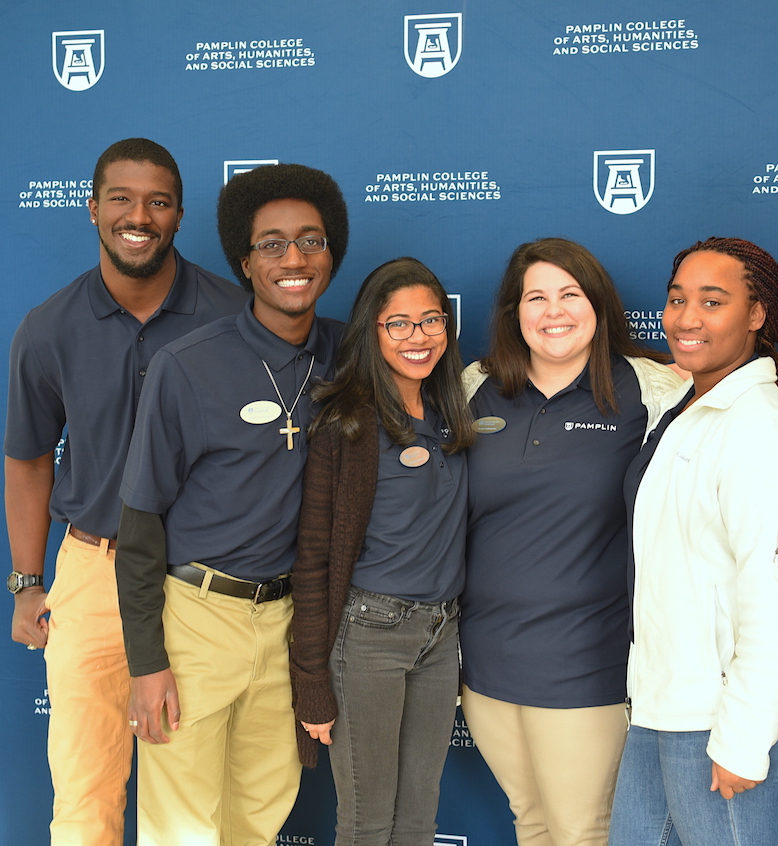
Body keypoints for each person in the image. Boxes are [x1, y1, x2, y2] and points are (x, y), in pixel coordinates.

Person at [4, 138, 247, 844]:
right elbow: (26, 459)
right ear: (93, 209)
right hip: (95, 570)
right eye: (122, 199)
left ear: (177, 216)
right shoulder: (48, 328)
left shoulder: (233, 316)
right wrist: (26, 582)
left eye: (158, 202)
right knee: (84, 793)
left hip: (198, 575)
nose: (138, 215)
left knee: (192, 799)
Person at [114, 163, 348, 846]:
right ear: (244, 263)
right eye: (271, 244)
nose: (294, 258)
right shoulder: (186, 365)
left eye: (311, 240)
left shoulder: (348, 355)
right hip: (195, 620)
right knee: (181, 826)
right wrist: (146, 663)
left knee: (261, 810)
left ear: (331, 253)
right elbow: (139, 524)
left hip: (289, 625)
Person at [609, 237, 778, 846]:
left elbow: (774, 596)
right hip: (667, 701)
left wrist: (742, 740)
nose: (686, 318)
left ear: (757, 314)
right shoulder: (693, 405)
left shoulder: (758, 427)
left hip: (727, 714)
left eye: (713, 302)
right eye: (678, 299)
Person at [459, 237, 682, 846]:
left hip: (587, 665)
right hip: (485, 669)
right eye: (536, 297)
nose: (553, 311)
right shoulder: (474, 386)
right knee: (531, 824)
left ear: (599, 305)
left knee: (584, 832)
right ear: (514, 313)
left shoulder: (650, 388)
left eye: (569, 294)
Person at [289, 257, 475, 845]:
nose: (418, 337)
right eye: (398, 324)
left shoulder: (453, 412)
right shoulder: (348, 423)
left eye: (430, 321)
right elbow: (315, 558)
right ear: (372, 332)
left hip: (440, 637)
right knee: (367, 823)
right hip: (369, 635)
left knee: (418, 820)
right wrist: (312, 681)